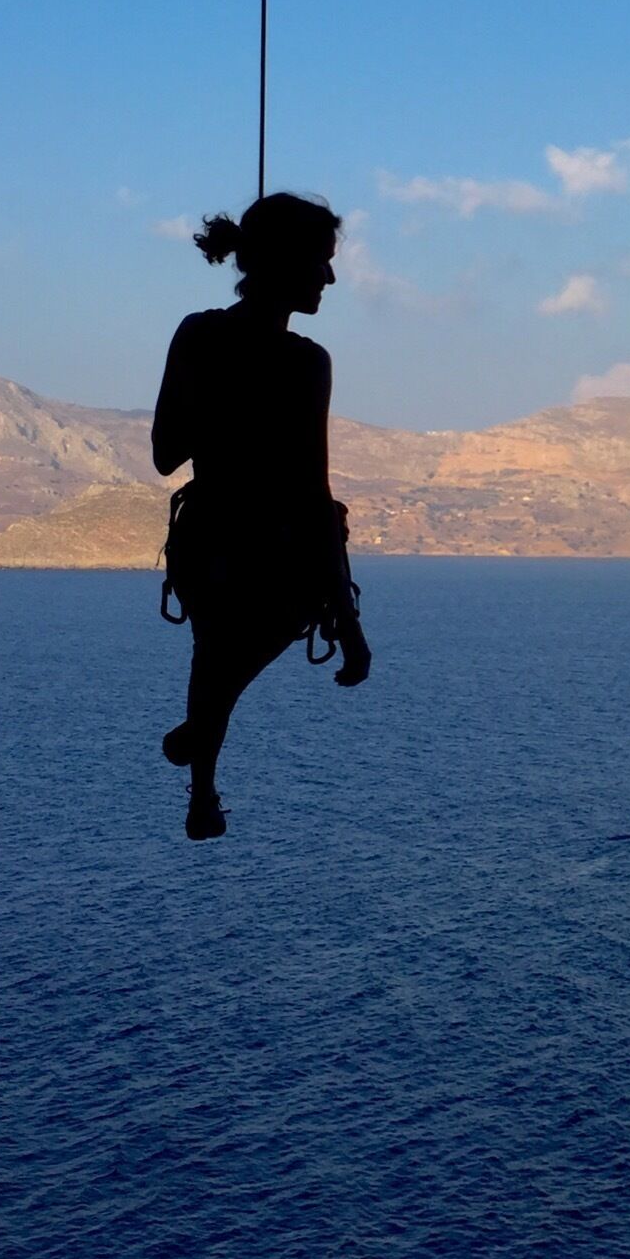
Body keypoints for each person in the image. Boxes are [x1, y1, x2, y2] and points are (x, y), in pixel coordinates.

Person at [152, 190, 371, 838]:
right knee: (314, 545)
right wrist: (350, 628)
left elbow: (168, 454)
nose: (330, 278)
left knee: (213, 646)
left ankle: (203, 784)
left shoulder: (198, 335)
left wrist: (217, 408)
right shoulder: (307, 364)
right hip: (272, 556)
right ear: (287, 263)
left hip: (206, 548)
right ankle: (204, 743)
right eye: (322, 262)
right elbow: (311, 490)